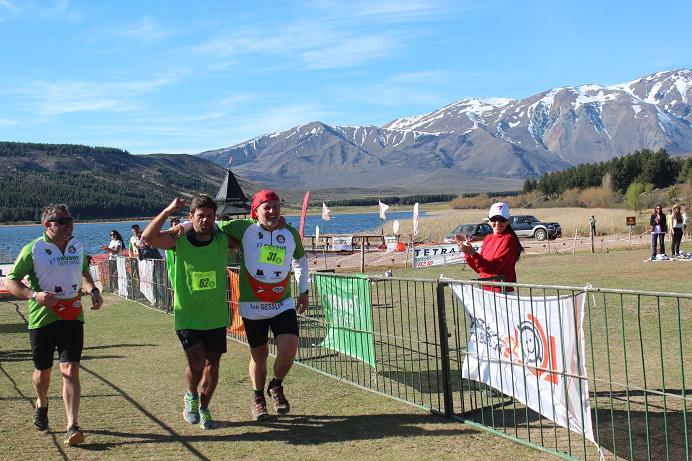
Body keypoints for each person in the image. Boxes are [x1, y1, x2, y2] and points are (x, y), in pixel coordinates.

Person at [5, 203, 104, 445]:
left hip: (72, 315)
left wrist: (93, 290)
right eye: (62, 221)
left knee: (70, 369)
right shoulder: (34, 249)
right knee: (43, 373)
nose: (69, 224)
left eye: (70, 220)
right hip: (43, 318)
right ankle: (42, 403)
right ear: (47, 225)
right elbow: (11, 281)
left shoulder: (77, 247)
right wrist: (33, 295)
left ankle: (72, 425)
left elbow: (83, 272)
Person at [142, 195, 234, 429]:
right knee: (196, 363)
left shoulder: (222, 239)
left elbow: (251, 235)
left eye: (209, 216)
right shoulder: (178, 240)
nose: (204, 220)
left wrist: (278, 223)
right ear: (190, 217)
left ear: (214, 218)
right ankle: (191, 396)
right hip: (188, 316)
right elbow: (148, 238)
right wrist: (168, 210)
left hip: (215, 316)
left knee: (212, 365)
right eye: (199, 215)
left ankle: (204, 408)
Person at [217, 189, 308, 421]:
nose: (272, 211)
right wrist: (181, 227)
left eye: (275, 206)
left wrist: (303, 290)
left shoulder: (290, 233)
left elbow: (300, 260)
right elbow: (208, 224)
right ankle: (258, 398)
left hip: (281, 302)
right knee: (260, 354)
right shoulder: (244, 228)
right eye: (266, 207)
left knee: (289, 349)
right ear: (255, 211)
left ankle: (276, 386)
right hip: (252, 304)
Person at [456, 202, 524, 292]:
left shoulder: (509, 239)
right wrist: (467, 252)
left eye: (501, 219)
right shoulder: (488, 238)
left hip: (502, 291)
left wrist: (472, 253)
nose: (497, 223)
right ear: (489, 220)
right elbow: (480, 269)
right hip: (486, 290)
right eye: (494, 219)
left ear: (508, 221)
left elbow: (493, 269)